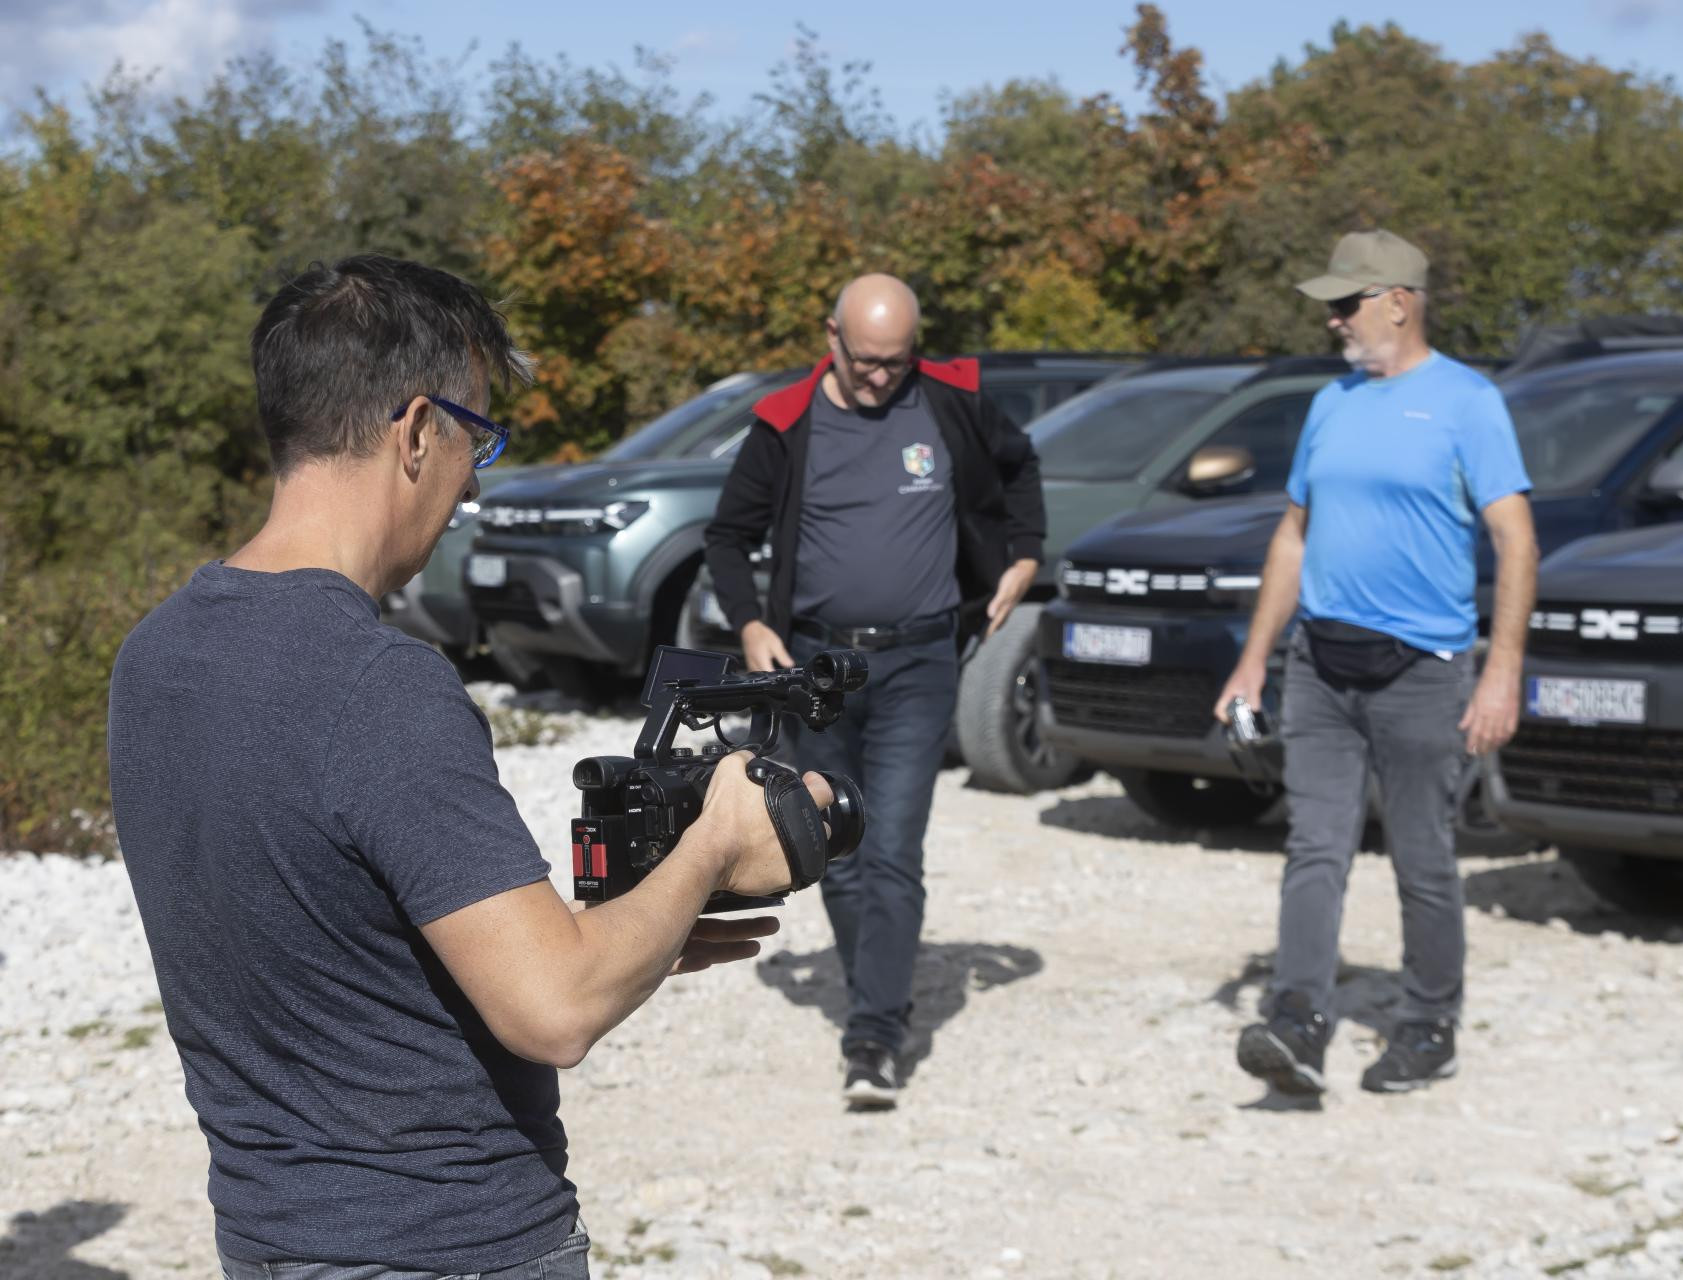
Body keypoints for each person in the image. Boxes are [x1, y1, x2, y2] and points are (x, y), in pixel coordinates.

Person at [107, 255, 828, 1278]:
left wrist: (629, 931)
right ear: (415, 431)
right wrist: (714, 841)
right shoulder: (376, 683)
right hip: (452, 1243)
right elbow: (555, 1010)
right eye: (475, 437)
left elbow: (313, 936)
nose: (475, 479)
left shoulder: (156, 653)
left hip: (272, 1240)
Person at [705, 273, 1043, 1109]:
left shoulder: (951, 404)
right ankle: (879, 990)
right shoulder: (786, 423)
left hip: (920, 662)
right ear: (833, 338)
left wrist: (1025, 556)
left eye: (896, 361)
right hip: (818, 669)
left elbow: (1020, 466)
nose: (881, 376)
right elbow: (727, 536)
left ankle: (873, 1037)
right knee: (834, 848)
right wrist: (750, 623)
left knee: (893, 848)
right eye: (866, 361)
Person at [1213, 230, 1538, 1097]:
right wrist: (1252, 663)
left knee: (1421, 854)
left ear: (1399, 301)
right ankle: (1297, 1023)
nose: (1333, 320)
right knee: (1313, 847)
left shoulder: (1468, 403)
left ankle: (1429, 1025)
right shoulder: (1332, 404)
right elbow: (1293, 536)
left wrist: (1502, 670)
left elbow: (1516, 540)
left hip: (1422, 671)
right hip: (1321, 664)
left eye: (1345, 303)